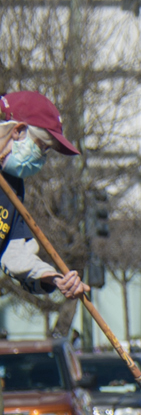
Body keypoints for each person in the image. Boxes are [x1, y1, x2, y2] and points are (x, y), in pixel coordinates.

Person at [0, 92, 86, 302]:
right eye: (42, 146)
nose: (41, 158)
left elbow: (15, 253)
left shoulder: (13, 187)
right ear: (18, 130)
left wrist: (55, 279)